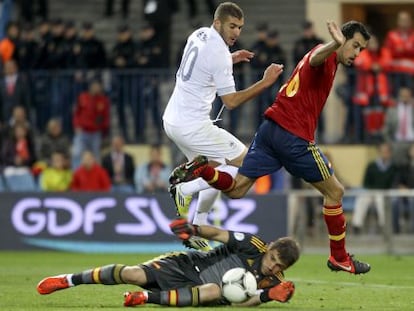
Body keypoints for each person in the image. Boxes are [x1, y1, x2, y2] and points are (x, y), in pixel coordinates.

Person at [170, 20, 372, 274]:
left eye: (360, 50)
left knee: (236, 190)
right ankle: (340, 257)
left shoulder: (328, 58)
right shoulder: (326, 54)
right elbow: (315, 59)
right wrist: (335, 44)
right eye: (354, 46)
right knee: (335, 192)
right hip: (294, 137)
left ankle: (203, 171)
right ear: (342, 40)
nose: (356, 53)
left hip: (270, 130)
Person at [163, 2, 284, 251]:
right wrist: (265, 82)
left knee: (216, 171)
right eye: (232, 26)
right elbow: (230, 102)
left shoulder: (198, 34)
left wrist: (231, 59)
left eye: (240, 27)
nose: (237, 32)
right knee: (245, 161)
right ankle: (186, 187)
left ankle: (197, 228)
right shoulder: (218, 53)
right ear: (218, 23)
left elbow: (203, 64)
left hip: (173, 120)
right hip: (193, 126)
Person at [36, 219, 299, 307]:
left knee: (215, 290)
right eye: (273, 260)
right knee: (131, 273)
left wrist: (267, 297)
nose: (273, 268)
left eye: (279, 267)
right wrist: (192, 229)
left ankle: (144, 299)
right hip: (187, 265)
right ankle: (68, 280)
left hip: (206, 291)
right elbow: (219, 234)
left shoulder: (275, 283)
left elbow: (245, 301)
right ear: (270, 248)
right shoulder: (252, 244)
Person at [351, 142, 397, 234]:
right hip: (371, 191)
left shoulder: (393, 167)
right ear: (379, 152)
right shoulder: (371, 166)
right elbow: (366, 183)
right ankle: (357, 225)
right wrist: (373, 190)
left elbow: (393, 183)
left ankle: (384, 226)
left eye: (386, 152)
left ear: (390, 153)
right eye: (382, 152)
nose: (384, 154)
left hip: (385, 193)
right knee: (362, 199)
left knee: (381, 200)